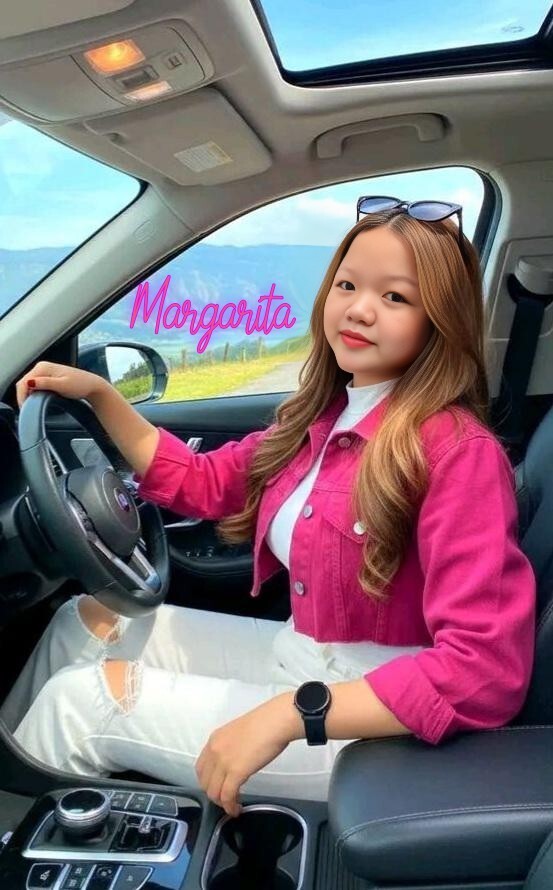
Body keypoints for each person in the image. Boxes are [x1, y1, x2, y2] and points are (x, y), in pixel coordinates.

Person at [0, 199, 537, 819]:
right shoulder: (320, 419)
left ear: (438, 321)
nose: (359, 309)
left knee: (84, 702)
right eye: (348, 285)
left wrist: (289, 714)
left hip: (380, 721)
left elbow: (484, 670)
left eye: (395, 297)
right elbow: (201, 481)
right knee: (83, 619)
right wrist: (98, 394)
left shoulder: (458, 453)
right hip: (305, 653)